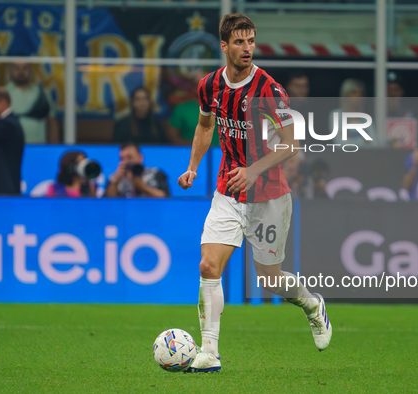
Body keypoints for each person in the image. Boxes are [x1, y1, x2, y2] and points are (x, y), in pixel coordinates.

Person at [177, 13, 332, 373]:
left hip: (269, 197)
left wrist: (252, 170)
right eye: (240, 42)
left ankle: (311, 305)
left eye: (251, 41)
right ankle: (209, 353)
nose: (247, 48)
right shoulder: (209, 86)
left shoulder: (269, 89)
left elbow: (291, 144)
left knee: (270, 280)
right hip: (228, 191)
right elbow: (204, 127)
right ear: (224, 46)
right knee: (208, 265)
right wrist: (193, 166)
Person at [6, 61, 59, 143]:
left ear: (31, 70)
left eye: (25, 68)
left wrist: (54, 147)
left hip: (37, 146)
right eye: (17, 68)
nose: (21, 71)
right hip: (11, 147)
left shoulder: (42, 93)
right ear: (10, 70)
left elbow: (51, 121)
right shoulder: (3, 93)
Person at [167, 73, 220, 147]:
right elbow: (172, 134)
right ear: (193, 87)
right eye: (198, 84)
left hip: (218, 154)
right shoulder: (182, 108)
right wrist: (186, 146)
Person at [105, 142, 169, 198]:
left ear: (140, 157)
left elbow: (166, 197)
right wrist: (115, 181)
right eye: (122, 159)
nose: (126, 162)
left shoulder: (156, 173)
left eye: (129, 157)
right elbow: (105, 202)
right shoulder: (114, 178)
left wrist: (142, 187)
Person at [329, 79, 380, 148]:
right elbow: (340, 144)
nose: (359, 97)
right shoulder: (337, 115)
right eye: (354, 93)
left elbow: (374, 144)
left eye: (361, 94)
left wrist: (350, 139)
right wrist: (364, 141)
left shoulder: (366, 119)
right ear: (346, 95)